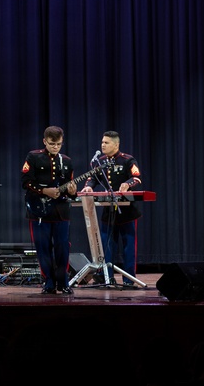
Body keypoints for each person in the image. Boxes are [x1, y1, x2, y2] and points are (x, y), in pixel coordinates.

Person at [22, 126, 78, 294]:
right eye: (52, 144)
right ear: (44, 141)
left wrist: (73, 191)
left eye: (59, 144)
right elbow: (26, 182)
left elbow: (69, 185)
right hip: (39, 209)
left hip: (61, 211)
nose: (55, 147)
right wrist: (44, 191)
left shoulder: (66, 160)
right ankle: (48, 282)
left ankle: (64, 282)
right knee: (43, 247)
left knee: (63, 248)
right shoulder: (33, 157)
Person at [81, 130, 142, 286]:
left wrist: (127, 184)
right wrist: (88, 186)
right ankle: (107, 278)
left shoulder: (127, 160)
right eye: (102, 142)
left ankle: (129, 280)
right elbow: (92, 178)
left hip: (126, 211)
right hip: (108, 211)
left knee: (128, 247)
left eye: (106, 143)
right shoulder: (100, 161)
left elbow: (136, 178)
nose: (103, 145)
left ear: (116, 145)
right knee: (106, 246)